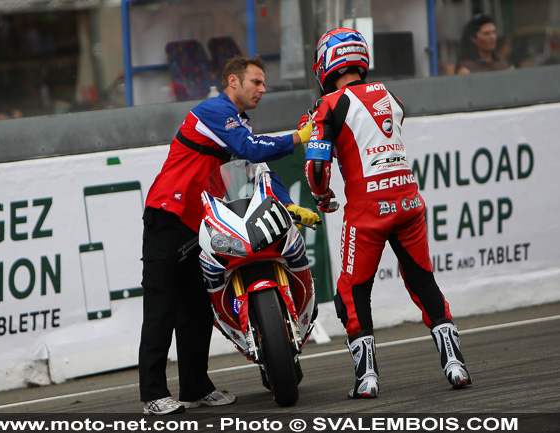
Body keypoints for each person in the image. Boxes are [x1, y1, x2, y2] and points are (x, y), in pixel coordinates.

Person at [139, 55, 318, 415]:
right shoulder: (213, 112)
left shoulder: (238, 123)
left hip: (197, 224)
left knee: (197, 308)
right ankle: (153, 394)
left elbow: (259, 168)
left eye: (264, 83)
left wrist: (287, 204)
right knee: (161, 308)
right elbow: (250, 149)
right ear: (233, 82)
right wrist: (299, 137)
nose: (263, 89)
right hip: (167, 215)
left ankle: (195, 386)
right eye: (256, 82)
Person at [304, 28, 472, 399]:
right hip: (409, 203)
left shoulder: (329, 104)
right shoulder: (391, 96)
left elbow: (317, 169)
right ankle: (455, 365)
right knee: (422, 280)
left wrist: (322, 194)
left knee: (350, 291)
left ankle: (367, 379)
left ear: (326, 62)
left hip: (368, 210)